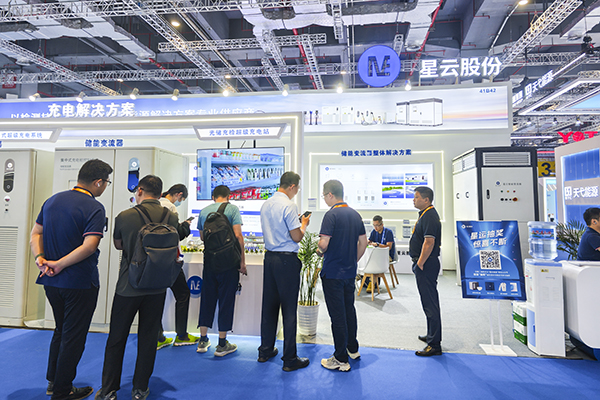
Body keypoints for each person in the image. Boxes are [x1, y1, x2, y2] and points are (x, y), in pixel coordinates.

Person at [30, 159, 113, 400]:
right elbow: (89, 246)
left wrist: (41, 259)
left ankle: (54, 381)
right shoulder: (94, 207)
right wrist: (60, 264)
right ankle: (62, 390)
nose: (105, 187)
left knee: (61, 330)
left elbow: (36, 233)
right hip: (79, 282)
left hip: (51, 281)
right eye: (106, 183)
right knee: (73, 336)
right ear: (98, 182)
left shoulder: (52, 200)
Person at [96, 175, 183, 400]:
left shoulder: (125, 216)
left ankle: (108, 390)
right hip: (157, 286)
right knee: (148, 338)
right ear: (160, 193)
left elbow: (119, 245)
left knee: (117, 338)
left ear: (140, 191)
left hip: (129, 285)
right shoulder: (171, 217)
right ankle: (140, 388)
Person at [259, 171, 311, 372]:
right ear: (292, 186)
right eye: (297, 188)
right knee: (289, 310)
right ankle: (289, 359)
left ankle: (265, 350)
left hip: (269, 258)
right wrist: (303, 224)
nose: (296, 192)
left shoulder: (266, 204)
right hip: (287, 261)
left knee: (269, 307)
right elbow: (296, 237)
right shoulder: (289, 205)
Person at [318, 180, 367, 372]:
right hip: (349, 272)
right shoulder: (355, 214)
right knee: (349, 310)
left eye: (324, 196)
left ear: (330, 194)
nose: (324, 199)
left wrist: (319, 251)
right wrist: (352, 260)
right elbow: (363, 242)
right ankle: (352, 349)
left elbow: (323, 244)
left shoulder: (331, 215)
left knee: (337, 316)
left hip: (332, 273)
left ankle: (340, 359)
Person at [195, 185, 247, 356]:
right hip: (228, 262)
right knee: (226, 300)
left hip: (210, 261)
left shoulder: (204, 211)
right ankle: (222, 344)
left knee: (207, 298)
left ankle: (203, 340)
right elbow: (238, 236)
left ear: (213, 196)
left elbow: (202, 237)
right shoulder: (232, 209)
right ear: (228, 196)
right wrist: (242, 261)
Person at [156, 184, 198, 350]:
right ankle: (181, 335)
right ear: (179, 195)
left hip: (154, 260)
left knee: (155, 297)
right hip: (170, 260)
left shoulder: (155, 204)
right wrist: (185, 226)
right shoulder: (170, 208)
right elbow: (176, 234)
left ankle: (158, 336)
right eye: (182, 199)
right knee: (183, 294)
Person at [410, 186, 443, 357]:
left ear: (426, 200)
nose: (413, 200)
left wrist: (420, 263)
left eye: (416, 197)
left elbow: (429, 242)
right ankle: (431, 335)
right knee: (428, 302)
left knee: (430, 304)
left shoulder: (429, 215)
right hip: (425, 264)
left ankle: (434, 344)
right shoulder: (425, 214)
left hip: (426, 264)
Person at [363, 215, 396, 292]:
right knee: (366, 258)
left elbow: (388, 247)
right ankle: (363, 277)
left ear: (382, 224)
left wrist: (377, 244)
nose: (375, 227)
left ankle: (372, 282)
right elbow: (370, 241)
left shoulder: (388, 232)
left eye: (377, 225)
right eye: (374, 225)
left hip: (387, 256)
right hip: (376, 255)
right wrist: (366, 242)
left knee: (373, 261)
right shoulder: (374, 232)